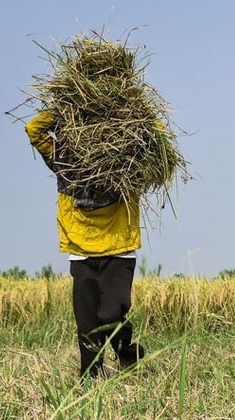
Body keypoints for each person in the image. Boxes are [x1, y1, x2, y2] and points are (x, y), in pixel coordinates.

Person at [25, 109, 146, 381]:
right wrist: (70, 105)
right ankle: (91, 376)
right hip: (80, 253)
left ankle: (126, 350)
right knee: (87, 323)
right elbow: (35, 129)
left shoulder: (125, 162)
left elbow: (153, 137)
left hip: (119, 251)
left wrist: (127, 107)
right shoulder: (64, 162)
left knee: (111, 313)